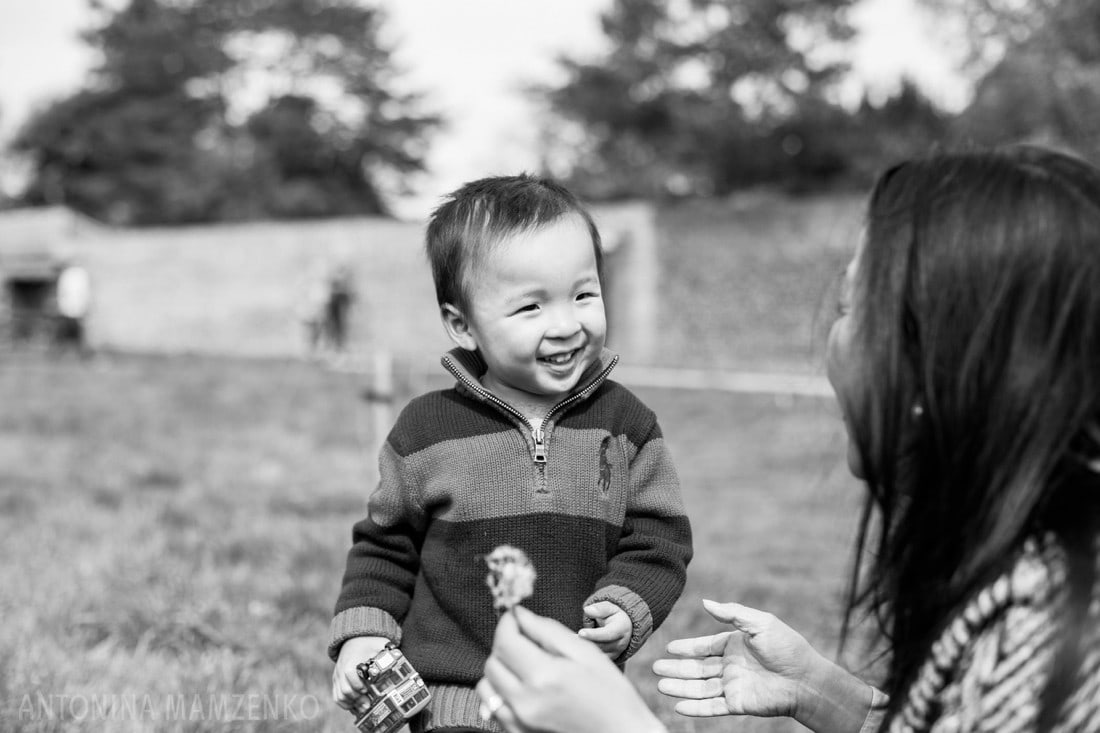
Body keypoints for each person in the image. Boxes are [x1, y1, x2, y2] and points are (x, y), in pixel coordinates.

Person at [475, 146, 1100, 733]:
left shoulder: (1051, 625)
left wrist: (622, 726)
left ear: (945, 364)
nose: (830, 337)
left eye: (853, 308)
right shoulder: (1043, 573)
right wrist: (824, 692)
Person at [328, 174, 694, 732]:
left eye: (584, 294)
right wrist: (364, 635)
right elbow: (384, 549)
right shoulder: (424, 430)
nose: (567, 324)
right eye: (531, 308)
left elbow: (658, 539)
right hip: (452, 706)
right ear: (462, 324)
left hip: (578, 703)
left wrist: (628, 604)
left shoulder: (628, 427)